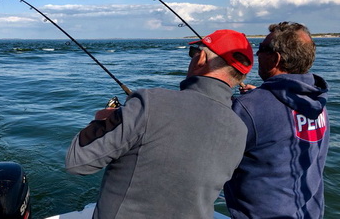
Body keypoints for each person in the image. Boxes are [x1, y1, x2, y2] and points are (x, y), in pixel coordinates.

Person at [66, 29, 254, 219]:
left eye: (194, 52)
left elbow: (78, 163)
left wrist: (102, 120)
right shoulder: (240, 130)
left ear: (202, 58)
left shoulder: (149, 101)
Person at [224, 22, 330, 219]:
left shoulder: (250, 108)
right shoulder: (317, 101)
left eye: (261, 49)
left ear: (276, 58)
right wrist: (263, 96)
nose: (256, 54)